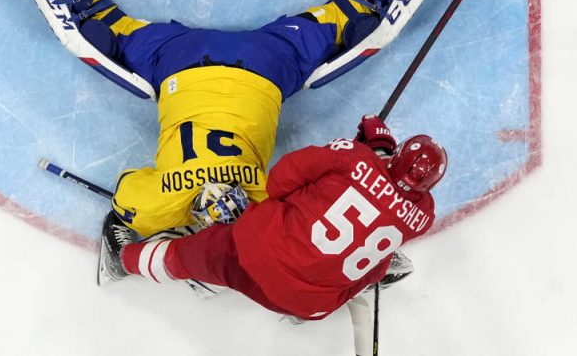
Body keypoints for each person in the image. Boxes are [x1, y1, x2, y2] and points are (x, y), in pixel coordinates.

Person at [0, 0, 479, 238]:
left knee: (355, 20)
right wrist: (154, 220)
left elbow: (315, 206)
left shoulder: (265, 200)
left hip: (269, 62)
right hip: (177, 59)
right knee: (98, 30)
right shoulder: (162, 206)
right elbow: (128, 190)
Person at [98, 114, 446, 322]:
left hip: (255, 257)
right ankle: (220, 282)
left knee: (188, 255)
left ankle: (121, 261)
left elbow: (278, 182)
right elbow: (386, 198)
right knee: (362, 263)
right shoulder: (422, 217)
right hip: (310, 306)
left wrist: (370, 152)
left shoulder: (352, 157)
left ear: (397, 155)